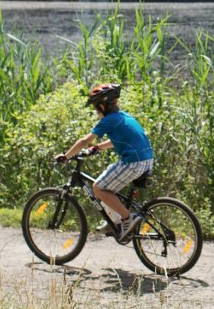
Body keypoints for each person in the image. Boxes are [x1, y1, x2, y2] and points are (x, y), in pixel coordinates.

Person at [56, 83, 154, 242]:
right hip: (146, 160)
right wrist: (98, 148)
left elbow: (83, 141)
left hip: (133, 162)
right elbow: (118, 140)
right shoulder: (124, 116)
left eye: (96, 108)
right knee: (106, 181)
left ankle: (127, 218)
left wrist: (65, 156)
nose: (96, 112)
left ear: (103, 105)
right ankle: (115, 221)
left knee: (98, 188)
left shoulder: (108, 120)